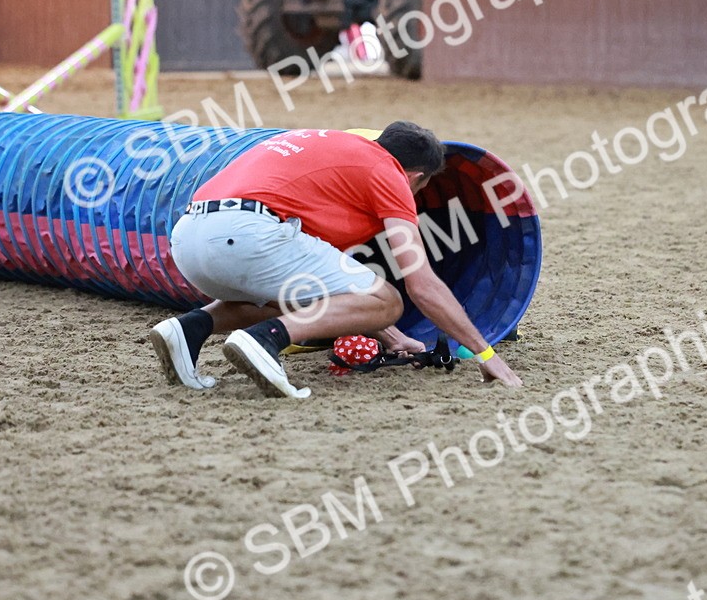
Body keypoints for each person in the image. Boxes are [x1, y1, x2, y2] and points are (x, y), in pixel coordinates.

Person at [149, 122, 523, 396]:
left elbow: (334, 294)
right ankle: (265, 340)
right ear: (415, 176)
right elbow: (420, 282)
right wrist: (485, 352)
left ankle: (189, 328)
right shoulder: (388, 173)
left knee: (299, 296)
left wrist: (392, 337)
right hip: (246, 235)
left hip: (188, 239)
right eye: (420, 189)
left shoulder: (334, 151)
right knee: (389, 300)